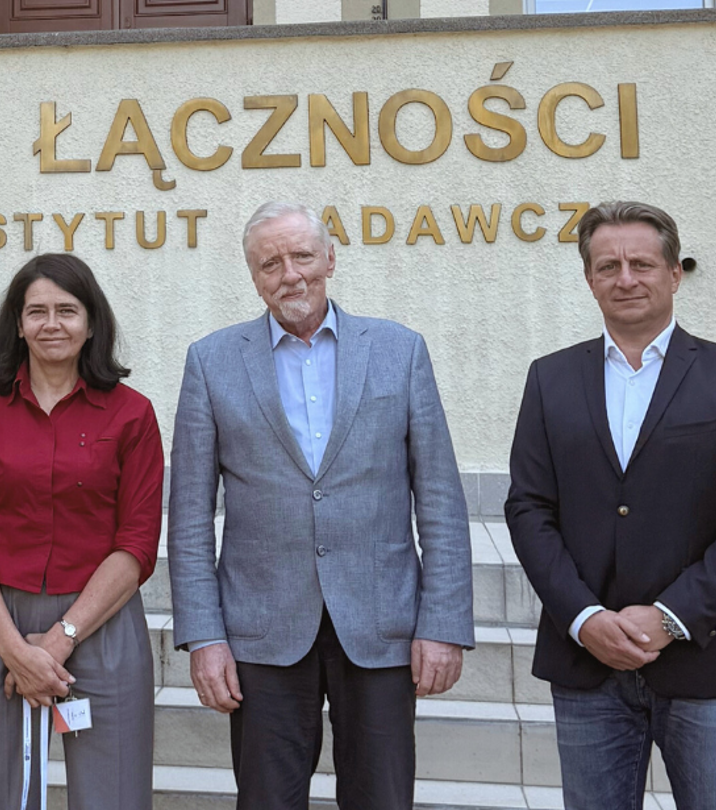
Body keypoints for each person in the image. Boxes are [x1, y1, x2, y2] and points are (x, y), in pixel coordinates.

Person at [166, 201, 475, 810]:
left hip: (381, 622)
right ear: (254, 277)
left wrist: (442, 623)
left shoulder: (399, 350)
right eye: (270, 263)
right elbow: (188, 518)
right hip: (262, 631)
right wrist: (204, 635)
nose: (290, 274)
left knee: (382, 797)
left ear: (330, 258)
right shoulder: (211, 361)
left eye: (302, 256)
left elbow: (439, 497)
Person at [505, 201, 716, 810]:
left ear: (673, 273)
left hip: (704, 659)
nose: (625, 278)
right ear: (589, 279)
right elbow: (529, 509)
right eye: (607, 266)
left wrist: (668, 616)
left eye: (641, 263)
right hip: (585, 661)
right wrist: (584, 617)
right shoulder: (548, 379)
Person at [0, 253, 163, 810]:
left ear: (92, 322)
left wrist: (61, 637)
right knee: (0, 796)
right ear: (17, 324)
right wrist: (15, 649)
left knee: (112, 796)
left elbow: (137, 543)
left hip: (103, 624)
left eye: (67, 310)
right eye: (36, 311)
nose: (52, 324)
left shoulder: (132, 414)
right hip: (1, 626)